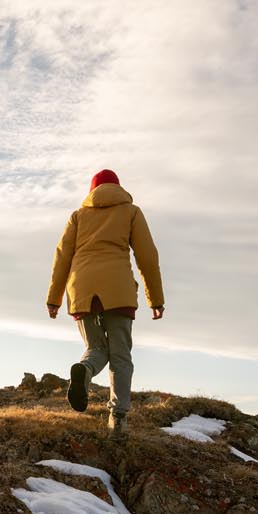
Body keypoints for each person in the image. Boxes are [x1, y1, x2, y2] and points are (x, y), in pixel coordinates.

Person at [45, 168, 164, 438]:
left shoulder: (78, 215)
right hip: (118, 289)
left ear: (92, 191)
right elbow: (147, 257)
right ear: (118, 188)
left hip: (82, 289)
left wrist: (54, 298)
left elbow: (62, 256)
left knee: (96, 347)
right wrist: (155, 299)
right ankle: (118, 419)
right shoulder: (131, 212)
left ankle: (85, 371)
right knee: (120, 355)